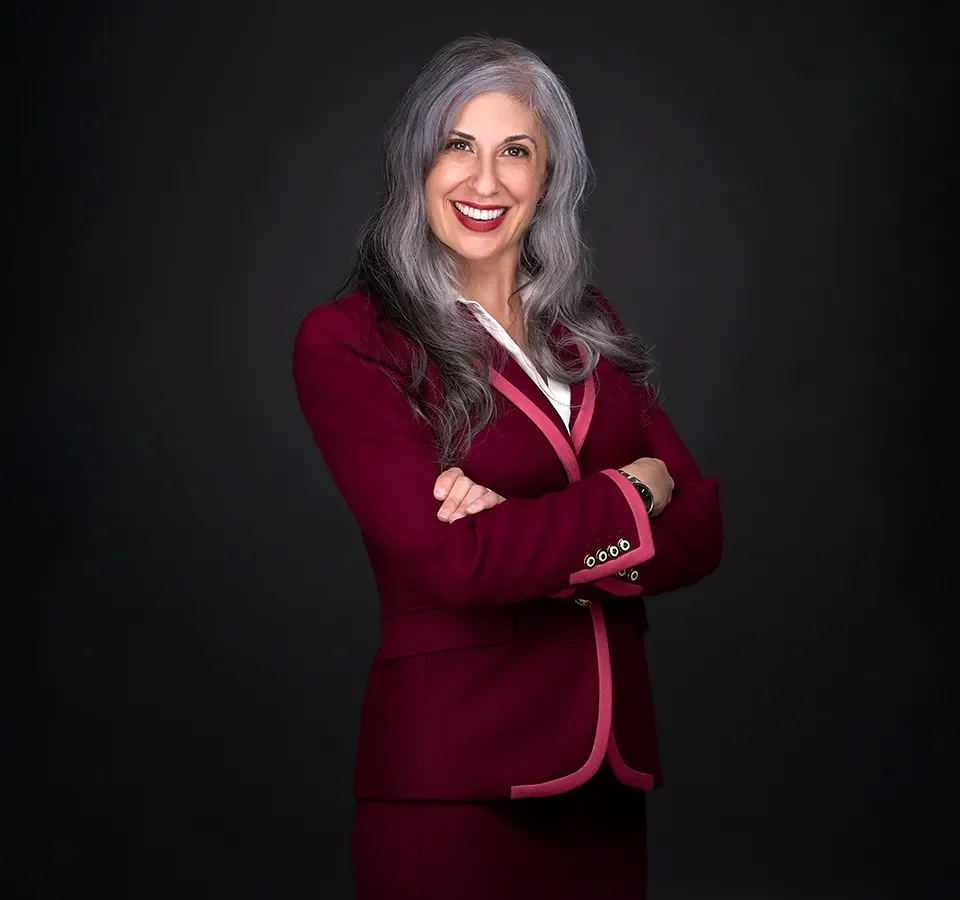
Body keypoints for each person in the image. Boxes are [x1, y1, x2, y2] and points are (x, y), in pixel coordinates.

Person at [292, 33, 723, 900]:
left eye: (515, 152)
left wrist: (533, 532)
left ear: (549, 176)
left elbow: (703, 530)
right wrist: (633, 490)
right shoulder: (352, 340)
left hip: (607, 783)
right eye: (458, 146)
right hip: (456, 785)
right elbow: (457, 562)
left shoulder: (586, 324)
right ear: (418, 161)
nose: (485, 182)